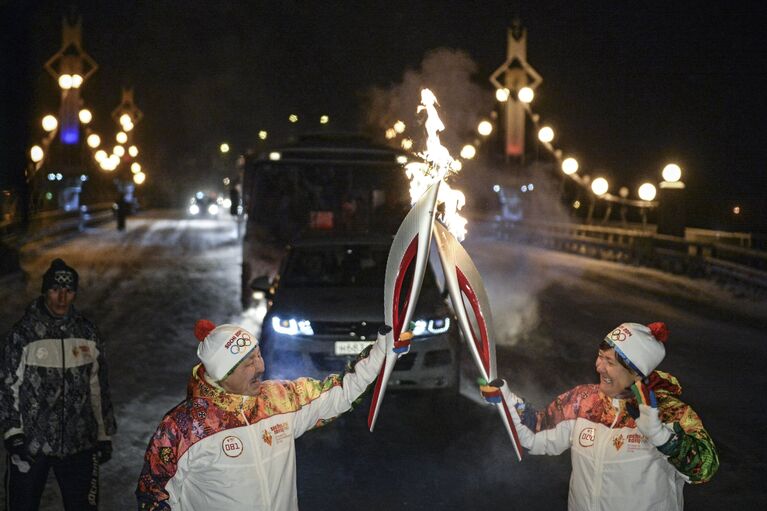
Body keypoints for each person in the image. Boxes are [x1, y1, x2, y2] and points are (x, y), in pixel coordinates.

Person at [136, 319, 409, 510]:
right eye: (247, 363)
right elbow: (154, 496)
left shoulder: (278, 400)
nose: (260, 367)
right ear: (221, 375)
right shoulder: (181, 428)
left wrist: (383, 350)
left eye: (258, 355)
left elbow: (342, 390)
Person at [481, 322, 718, 511]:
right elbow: (536, 433)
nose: (598, 366)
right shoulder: (583, 401)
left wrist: (661, 437)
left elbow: (704, 469)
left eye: (609, 362)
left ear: (636, 372)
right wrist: (507, 400)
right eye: (599, 356)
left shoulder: (669, 412)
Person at [0, 258, 117, 510]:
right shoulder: (23, 334)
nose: (62, 298)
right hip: (31, 446)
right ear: (45, 290)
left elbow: (97, 388)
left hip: (79, 443)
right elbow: (7, 386)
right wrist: (13, 435)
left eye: (69, 290)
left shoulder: (87, 333)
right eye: (55, 289)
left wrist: (103, 434)